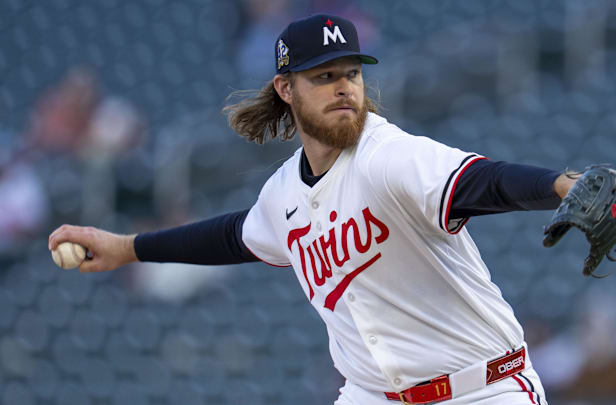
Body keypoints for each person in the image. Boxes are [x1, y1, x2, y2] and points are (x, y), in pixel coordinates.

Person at [49, 14, 579, 405]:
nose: (344, 86)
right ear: (285, 89)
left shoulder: (389, 156)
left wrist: (556, 184)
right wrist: (126, 248)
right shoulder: (282, 195)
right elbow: (233, 237)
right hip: (374, 396)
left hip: (481, 388)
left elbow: (483, 182)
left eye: (350, 72)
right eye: (323, 76)